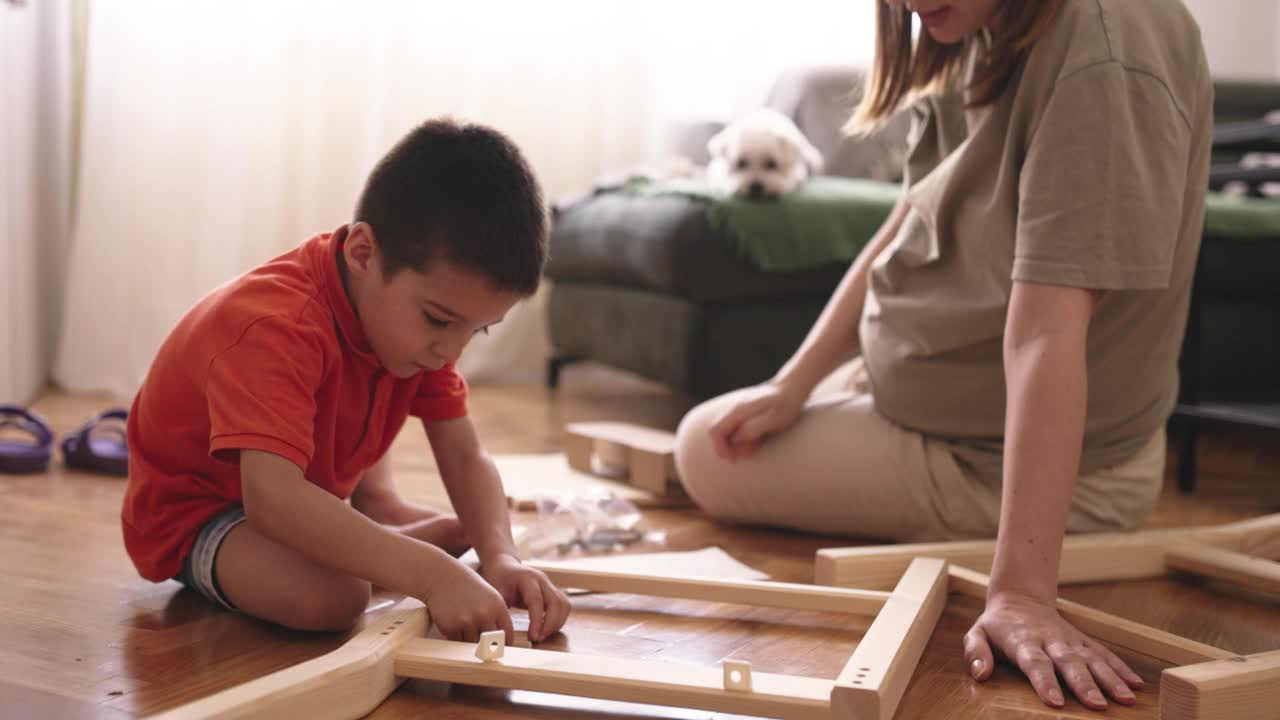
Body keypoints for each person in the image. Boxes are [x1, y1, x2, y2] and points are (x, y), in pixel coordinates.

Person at [675, 0, 1211, 710]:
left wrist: (1021, 592)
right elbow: (907, 223)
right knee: (738, 422)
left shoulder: (1103, 52)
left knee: (702, 449)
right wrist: (792, 382)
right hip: (932, 389)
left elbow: (1045, 336)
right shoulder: (974, 24)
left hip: (1003, 458)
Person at [122, 118, 570, 645]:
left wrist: (502, 556)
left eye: (479, 330)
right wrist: (429, 574)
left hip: (297, 492)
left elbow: (466, 455)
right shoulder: (275, 326)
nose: (451, 350)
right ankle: (381, 546)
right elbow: (273, 499)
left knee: (472, 534)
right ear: (362, 253)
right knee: (334, 598)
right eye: (440, 320)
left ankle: (384, 540)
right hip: (202, 511)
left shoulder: (417, 325)